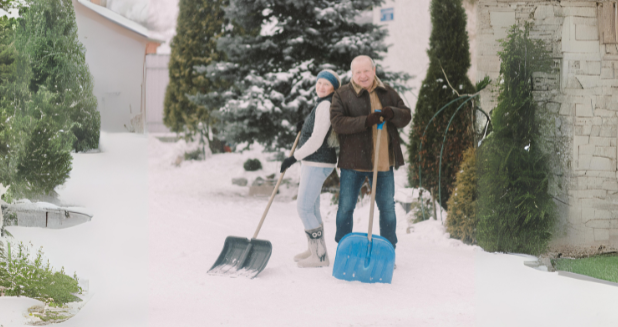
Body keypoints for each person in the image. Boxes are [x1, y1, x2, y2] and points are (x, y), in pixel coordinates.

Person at [329, 55, 411, 249]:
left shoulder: (387, 92)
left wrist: (393, 112)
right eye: (358, 72)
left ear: (374, 71)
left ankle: (388, 249)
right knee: (345, 208)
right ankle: (343, 247)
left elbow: (406, 116)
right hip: (353, 162)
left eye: (366, 71)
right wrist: (367, 121)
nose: (363, 75)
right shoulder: (342, 94)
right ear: (352, 74)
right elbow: (338, 123)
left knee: (387, 210)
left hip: (382, 163)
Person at [280, 69, 341, 268]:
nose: (321, 87)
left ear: (333, 88)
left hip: (317, 161)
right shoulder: (322, 103)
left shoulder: (325, 104)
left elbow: (317, 139)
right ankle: (316, 249)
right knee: (312, 208)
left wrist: (293, 158)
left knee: (304, 208)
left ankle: (319, 256)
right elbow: (315, 129)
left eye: (326, 84)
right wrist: (304, 126)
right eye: (319, 82)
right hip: (315, 162)